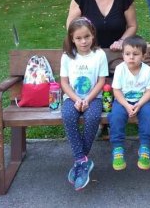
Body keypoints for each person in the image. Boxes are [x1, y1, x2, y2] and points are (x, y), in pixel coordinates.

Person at [60, 17, 109, 191]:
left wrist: (87, 100)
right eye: (79, 38)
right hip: (71, 98)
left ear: (93, 35)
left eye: (87, 37)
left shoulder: (99, 55)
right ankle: (82, 160)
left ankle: (80, 160)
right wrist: (76, 99)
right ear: (72, 38)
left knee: (93, 116)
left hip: (93, 98)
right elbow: (64, 83)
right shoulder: (67, 56)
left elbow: (101, 81)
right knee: (68, 115)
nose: (83, 41)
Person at [108, 35, 150, 171]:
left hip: (142, 101)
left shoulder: (146, 70)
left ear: (143, 55)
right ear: (123, 55)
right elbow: (116, 91)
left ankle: (145, 146)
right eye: (127, 54)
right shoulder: (120, 69)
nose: (131, 57)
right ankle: (118, 148)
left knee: (149, 115)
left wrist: (139, 104)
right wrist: (126, 105)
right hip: (123, 101)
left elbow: (149, 91)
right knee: (116, 116)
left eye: (135, 54)